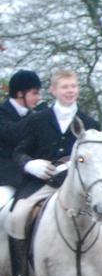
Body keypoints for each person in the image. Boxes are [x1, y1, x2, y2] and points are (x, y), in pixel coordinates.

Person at [8, 69, 102, 276]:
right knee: (17, 216)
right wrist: (30, 164)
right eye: (65, 87)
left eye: (73, 86)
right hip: (41, 183)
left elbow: (97, 157)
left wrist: (73, 167)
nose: (70, 91)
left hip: (79, 187)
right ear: (54, 90)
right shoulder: (37, 119)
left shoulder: (90, 123)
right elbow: (19, 152)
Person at [0, 70, 44, 208]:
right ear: (20, 93)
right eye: (34, 93)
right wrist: (36, 117)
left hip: (31, 178)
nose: (39, 98)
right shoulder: (2, 113)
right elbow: (11, 135)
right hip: (6, 178)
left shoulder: (30, 115)